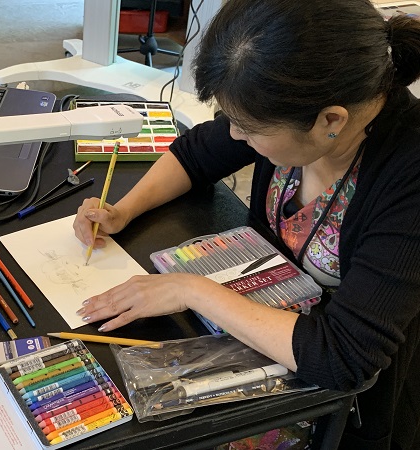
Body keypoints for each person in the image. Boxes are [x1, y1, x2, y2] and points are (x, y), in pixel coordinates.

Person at [72, 0, 420, 448]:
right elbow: (198, 152)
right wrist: (123, 211)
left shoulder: (407, 176)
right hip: (262, 331)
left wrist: (189, 288)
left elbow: (344, 356)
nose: (235, 135)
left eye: (249, 128)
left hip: (338, 401)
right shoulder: (292, 111)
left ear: (330, 120)